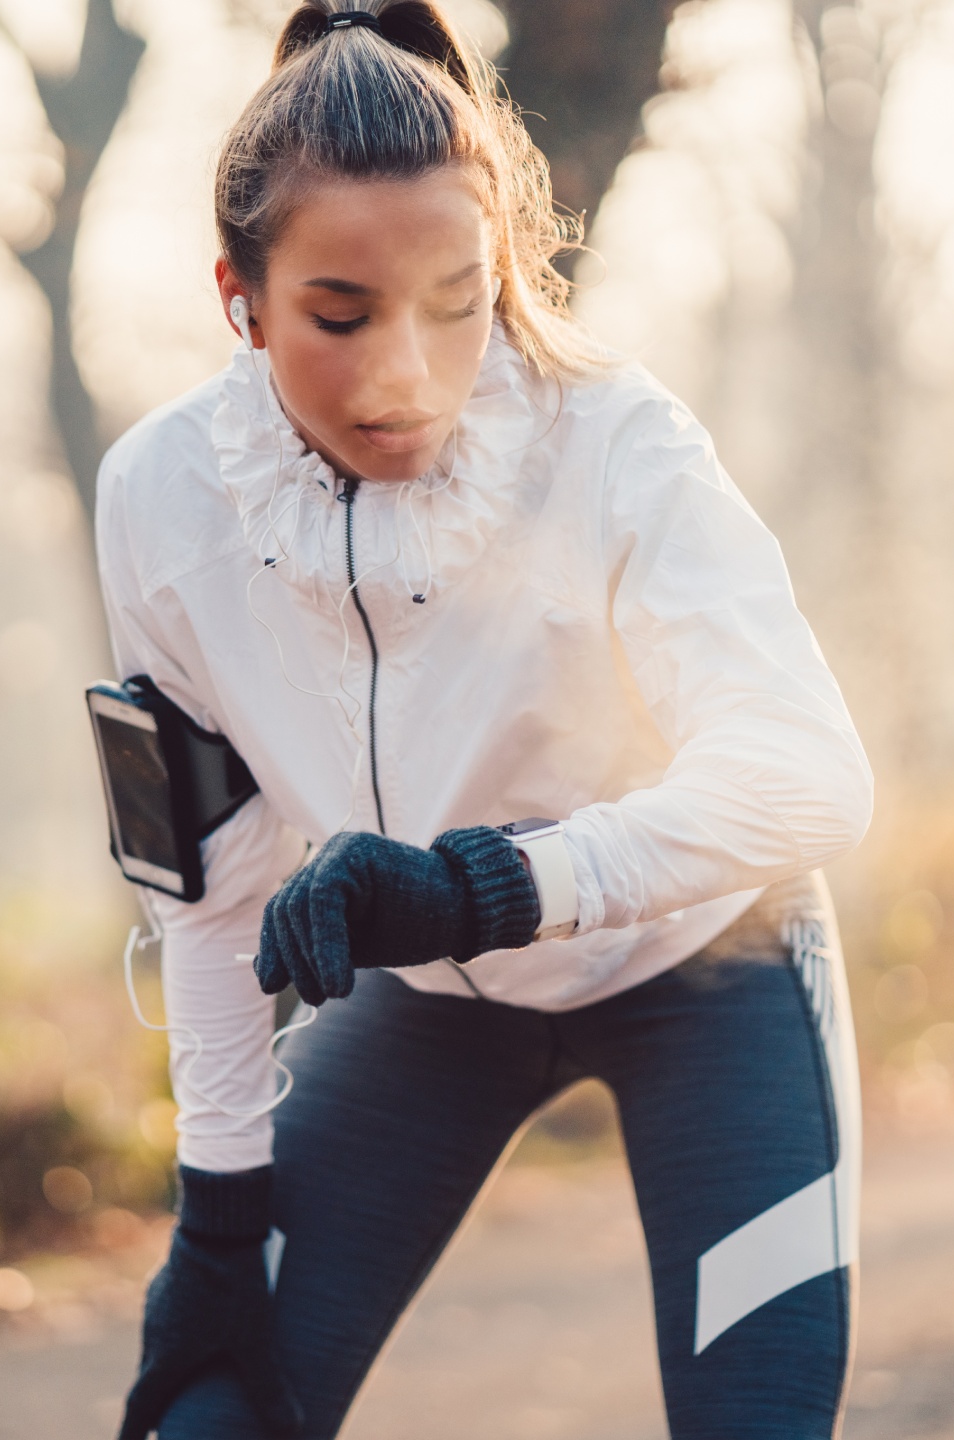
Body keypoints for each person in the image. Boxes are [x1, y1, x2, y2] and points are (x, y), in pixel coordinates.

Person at [97, 4, 873, 1437]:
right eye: (341, 315)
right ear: (240, 298)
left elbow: (810, 775)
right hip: (432, 1006)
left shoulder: (617, 441)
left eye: (460, 302)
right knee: (207, 1415)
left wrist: (483, 885)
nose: (405, 371)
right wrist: (217, 1208)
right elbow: (208, 895)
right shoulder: (161, 501)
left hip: (710, 969)